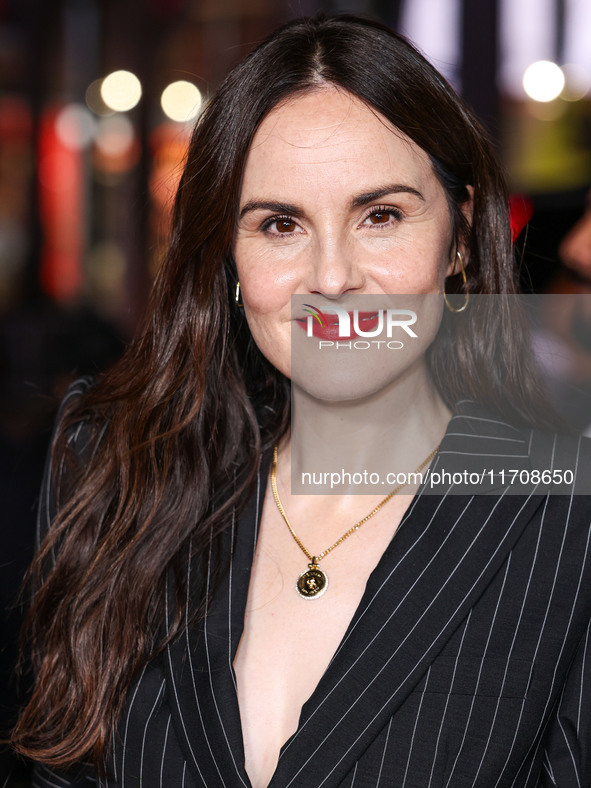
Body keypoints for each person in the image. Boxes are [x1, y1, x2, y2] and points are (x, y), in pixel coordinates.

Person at [11, 14, 591, 788]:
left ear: (456, 238)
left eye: (379, 216)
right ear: (231, 256)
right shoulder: (116, 468)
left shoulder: (562, 516)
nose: (332, 277)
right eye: (280, 224)